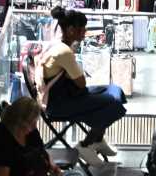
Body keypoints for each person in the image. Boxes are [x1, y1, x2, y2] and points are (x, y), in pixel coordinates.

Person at [39, 8, 127, 166]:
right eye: (82, 29)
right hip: (60, 104)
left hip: (70, 94)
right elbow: (81, 83)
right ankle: (86, 145)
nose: (85, 32)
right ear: (71, 30)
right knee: (114, 104)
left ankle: (97, 139)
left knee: (115, 91)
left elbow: (77, 82)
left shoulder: (58, 44)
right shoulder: (64, 51)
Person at [0, 97, 60, 176]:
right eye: (30, 123)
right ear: (18, 121)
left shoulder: (30, 131)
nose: (34, 126)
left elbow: (41, 151)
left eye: (35, 122)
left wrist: (52, 165)